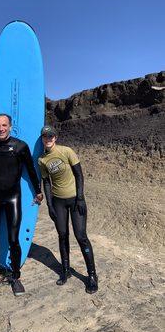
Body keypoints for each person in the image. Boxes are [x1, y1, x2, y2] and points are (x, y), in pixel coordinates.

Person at [0, 114, 43, 297]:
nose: (1, 128)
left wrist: (37, 191)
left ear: (10, 126)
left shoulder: (20, 146)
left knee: (13, 239)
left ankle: (15, 277)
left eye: (4, 125)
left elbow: (31, 170)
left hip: (13, 198)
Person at [38, 125, 98, 294]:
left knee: (81, 236)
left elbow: (79, 175)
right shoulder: (42, 160)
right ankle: (65, 271)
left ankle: (92, 275)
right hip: (58, 202)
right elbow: (47, 182)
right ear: (42, 138)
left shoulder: (67, 151)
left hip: (75, 200)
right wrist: (49, 205)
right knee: (62, 235)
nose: (48, 139)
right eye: (45, 137)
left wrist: (80, 197)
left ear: (55, 137)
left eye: (50, 136)